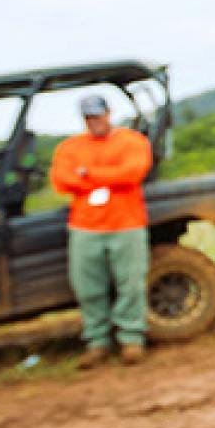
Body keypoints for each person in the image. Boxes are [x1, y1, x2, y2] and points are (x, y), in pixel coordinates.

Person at [52, 91, 153, 368]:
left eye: (98, 115)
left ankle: (132, 339)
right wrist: (109, 178)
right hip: (85, 226)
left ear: (108, 113)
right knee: (88, 287)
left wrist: (88, 174)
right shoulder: (70, 148)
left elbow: (132, 172)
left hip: (126, 223)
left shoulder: (131, 141)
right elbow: (62, 180)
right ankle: (98, 342)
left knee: (130, 283)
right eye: (88, 117)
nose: (94, 121)